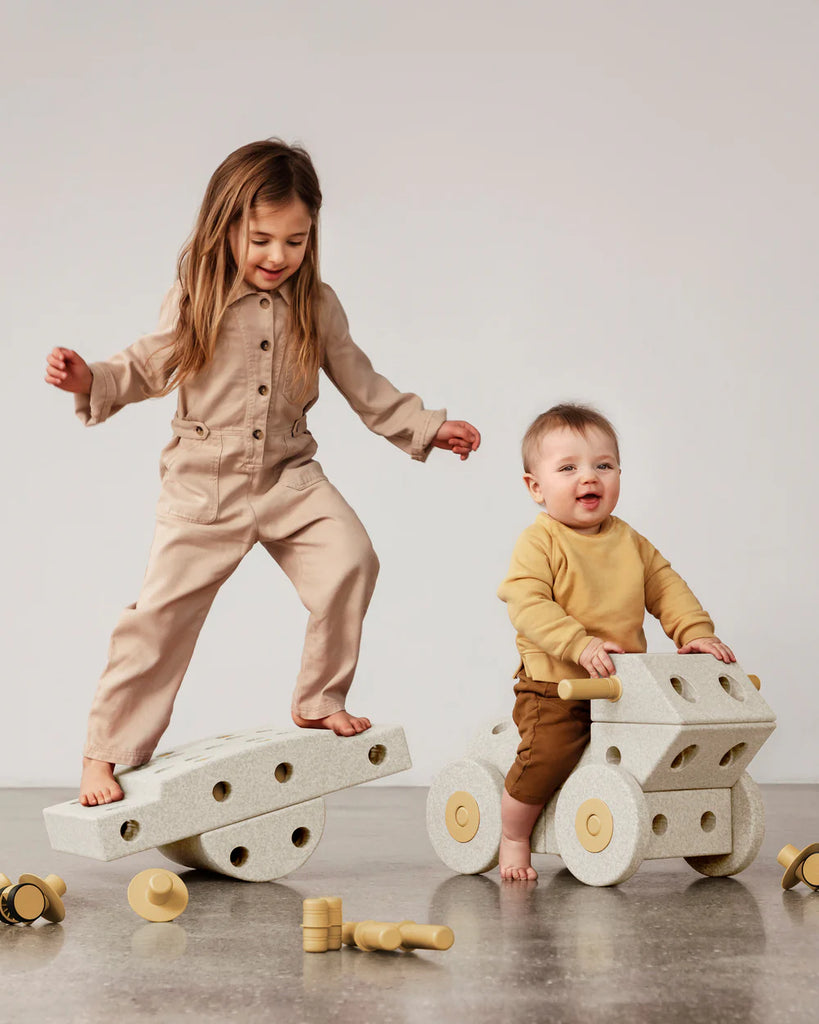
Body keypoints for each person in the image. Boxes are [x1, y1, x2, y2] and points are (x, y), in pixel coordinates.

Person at [44, 139, 480, 807]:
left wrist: (423, 426)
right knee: (159, 619)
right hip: (204, 484)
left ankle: (318, 699)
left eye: (295, 241)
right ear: (225, 228)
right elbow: (148, 364)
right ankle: (103, 752)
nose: (278, 256)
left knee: (351, 560)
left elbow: (361, 381)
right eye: (261, 240)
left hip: (288, 475)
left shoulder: (318, 305)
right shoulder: (199, 297)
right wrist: (91, 379)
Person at [497, 403, 733, 880]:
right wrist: (578, 644)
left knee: (657, 748)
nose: (589, 477)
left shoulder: (631, 542)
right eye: (568, 468)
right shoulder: (540, 541)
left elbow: (668, 589)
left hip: (624, 686)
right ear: (536, 487)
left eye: (603, 465)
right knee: (548, 756)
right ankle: (513, 835)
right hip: (557, 685)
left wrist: (697, 634)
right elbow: (527, 603)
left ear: (620, 474)